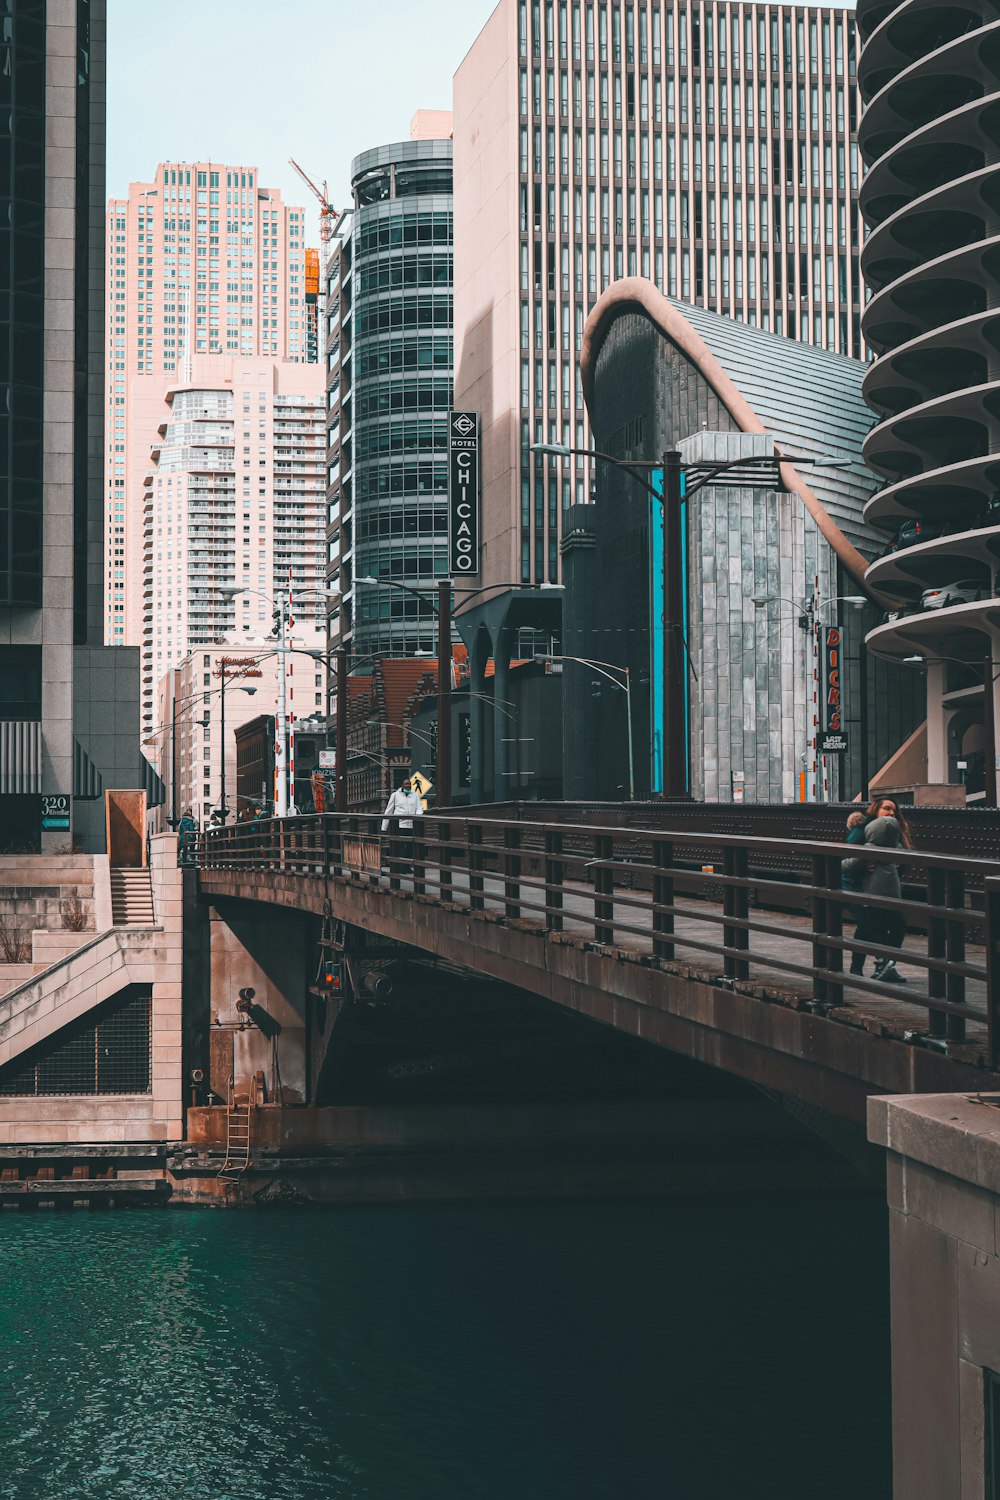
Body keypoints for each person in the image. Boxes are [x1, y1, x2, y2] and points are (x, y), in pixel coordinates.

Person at [848, 815, 908, 984]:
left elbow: (848, 863)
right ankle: (881, 965)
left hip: (872, 895)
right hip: (866, 892)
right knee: (872, 928)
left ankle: (883, 965)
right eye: (885, 808)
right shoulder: (892, 846)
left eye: (893, 810)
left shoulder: (879, 845)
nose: (890, 813)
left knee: (873, 928)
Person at [842, 809, 868, 975]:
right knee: (869, 924)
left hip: (852, 885)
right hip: (857, 885)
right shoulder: (863, 832)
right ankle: (885, 963)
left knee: (868, 925)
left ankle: (857, 967)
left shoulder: (855, 834)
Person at [381, 775, 424, 873]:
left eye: (409, 784)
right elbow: (389, 811)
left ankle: (406, 867)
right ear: (402, 785)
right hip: (399, 825)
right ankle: (400, 867)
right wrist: (384, 827)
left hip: (411, 825)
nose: (408, 785)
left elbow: (419, 808)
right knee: (401, 846)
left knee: (409, 847)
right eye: (406, 784)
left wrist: (418, 816)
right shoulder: (395, 795)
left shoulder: (415, 795)